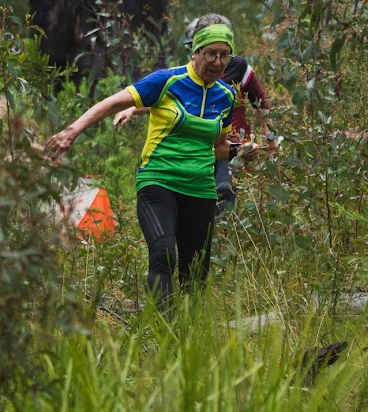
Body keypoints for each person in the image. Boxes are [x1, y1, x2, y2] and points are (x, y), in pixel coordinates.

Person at [45, 19, 243, 311]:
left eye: (224, 56)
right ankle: (165, 331)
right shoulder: (167, 80)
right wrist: (72, 131)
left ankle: (188, 340)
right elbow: (112, 102)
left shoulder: (225, 96)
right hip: (158, 181)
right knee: (163, 254)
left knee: (195, 273)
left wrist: (243, 151)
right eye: (210, 53)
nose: (217, 61)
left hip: (200, 189)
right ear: (195, 51)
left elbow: (219, 148)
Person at [115, 14, 277, 213]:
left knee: (224, 189)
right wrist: (132, 108)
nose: (214, 60)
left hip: (230, 144)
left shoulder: (239, 67)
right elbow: (171, 102)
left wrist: (270, 136)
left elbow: (261, 102)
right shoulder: (188, 72)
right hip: (198, 146)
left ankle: (225, 233)